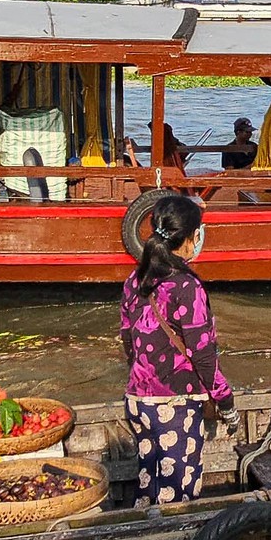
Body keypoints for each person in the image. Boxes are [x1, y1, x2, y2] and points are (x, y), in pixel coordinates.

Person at [116, 194, 231, 505]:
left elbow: (128, 339)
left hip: (138, 399)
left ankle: (143, 532)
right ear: (192, 239)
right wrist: (226, 400)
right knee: (178, 491)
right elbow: (204, 354)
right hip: (174, 403)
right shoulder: (186, 287)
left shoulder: (135, 279)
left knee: (148, 480)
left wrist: (143, 376)